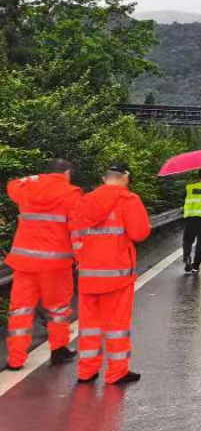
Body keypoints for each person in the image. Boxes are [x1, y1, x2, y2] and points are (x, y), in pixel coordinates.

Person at [71, 163, 150, 385]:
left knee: (89, 327)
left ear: (104, 178)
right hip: (117, 275)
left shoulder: (85, 200)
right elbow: (139, 233)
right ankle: (116, 372)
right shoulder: (128, 199)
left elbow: (75, 233)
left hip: (88, 274)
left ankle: (86, 371)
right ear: (126, 177)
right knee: (116, 326)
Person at [5, 160, 83, 371]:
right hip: (56, 264)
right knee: (58, 309)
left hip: (24, 263)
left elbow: (12, 185)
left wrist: (34, 178)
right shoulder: (71, 193)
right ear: (66, 172)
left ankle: (15, 359)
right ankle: (59, 350)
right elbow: (76, 230)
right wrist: (81, 257)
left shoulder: (28, 187)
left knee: (20, 310)